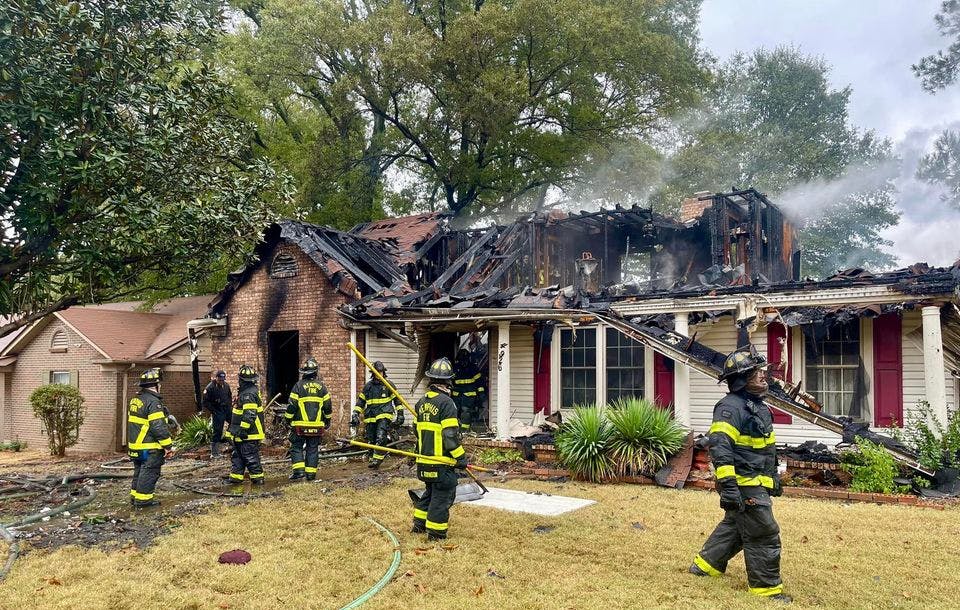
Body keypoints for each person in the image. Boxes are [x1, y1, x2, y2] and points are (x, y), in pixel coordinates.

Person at [690, 349, 790, 603]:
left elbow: (766, 448)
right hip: (743, 485)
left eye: (761, 372)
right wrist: (729, 487)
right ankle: (767, 589)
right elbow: (720, 448)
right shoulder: (730, 408)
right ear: (741, 380)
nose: (763, 376)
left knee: (736, 526)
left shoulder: (757, 407)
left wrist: (772, 478)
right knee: (763, 532)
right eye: (756, 373)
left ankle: (705, 566)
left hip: (755, 483)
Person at [411, 357, 467, 541]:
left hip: (424, 461)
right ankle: (435, 533)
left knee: (429, 492)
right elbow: (450, 436)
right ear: (448, 381)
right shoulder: (446, 403)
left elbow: (416, 431)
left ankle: (419, 525)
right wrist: (460, 458)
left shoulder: (421, 403)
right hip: (440, 462)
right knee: (442, 496)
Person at [127, 368, 173, 508]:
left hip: (136, 446)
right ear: (156, 385)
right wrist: (168, 446)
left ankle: (135, 498)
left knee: (139, 472)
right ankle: (143, 501)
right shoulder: (154, 402)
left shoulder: (136, 399)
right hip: (150, 447)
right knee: (150, 472)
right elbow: (158, 427)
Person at [285, 357, 331, 481]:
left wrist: (287, 420)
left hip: (299, 425)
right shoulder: (322, 387)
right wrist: (327, 420)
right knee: (312, 448)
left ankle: (299, 472)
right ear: (316, 372)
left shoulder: (298, 386)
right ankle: (311, 475)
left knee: (296, 447)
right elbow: (327, 406)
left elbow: (292, 405)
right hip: (316, 425)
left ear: (303, 373)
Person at [352, 361, 404, 469]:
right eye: (377, 372)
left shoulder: (389, 385)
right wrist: (355, 413)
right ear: (373, 373)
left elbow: (398, 401)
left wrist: (400, 414)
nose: (379, 374)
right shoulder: (368, 386)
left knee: (381, 436)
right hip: (371, 416)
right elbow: (361, 401)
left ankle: (377, 459)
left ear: (383, 372)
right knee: (371, 439)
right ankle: (373, 459)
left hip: (384, 414)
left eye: (380, 372)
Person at [225, 365, 265, 485]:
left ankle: (258, 480)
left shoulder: (249, 394)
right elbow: (237, 415)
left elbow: (250, 415)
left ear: (241, 379)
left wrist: (243, 429)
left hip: (249, 434)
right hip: (240, 434)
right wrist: (230, 432)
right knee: (238, 456)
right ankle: (235, 478)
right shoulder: (245, 393)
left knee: (250, 457)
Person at [452, 349, 485, 433]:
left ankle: (464, 430)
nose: (463, 362)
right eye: (461, 360)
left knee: (465, 412)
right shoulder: (455, 368)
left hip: (469, 396)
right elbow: (450, 381)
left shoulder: (473, 368)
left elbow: (479, 382)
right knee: (454, 412)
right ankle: (455, 429)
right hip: (457, 395)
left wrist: (481, 393)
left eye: (465, 359)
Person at [202, 370, 232, 459]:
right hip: (217, 410)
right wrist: (214, 411)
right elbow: (205, 402)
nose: (222, 381)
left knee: (234, 422)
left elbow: (229, 396)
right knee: (217, 431)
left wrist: (229, 405)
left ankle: (228, 438)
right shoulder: (210, 388)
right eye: (220, 379)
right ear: (216, 378)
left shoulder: (226, 386)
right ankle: (214, 452)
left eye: (223, 379)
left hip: (226, 409)